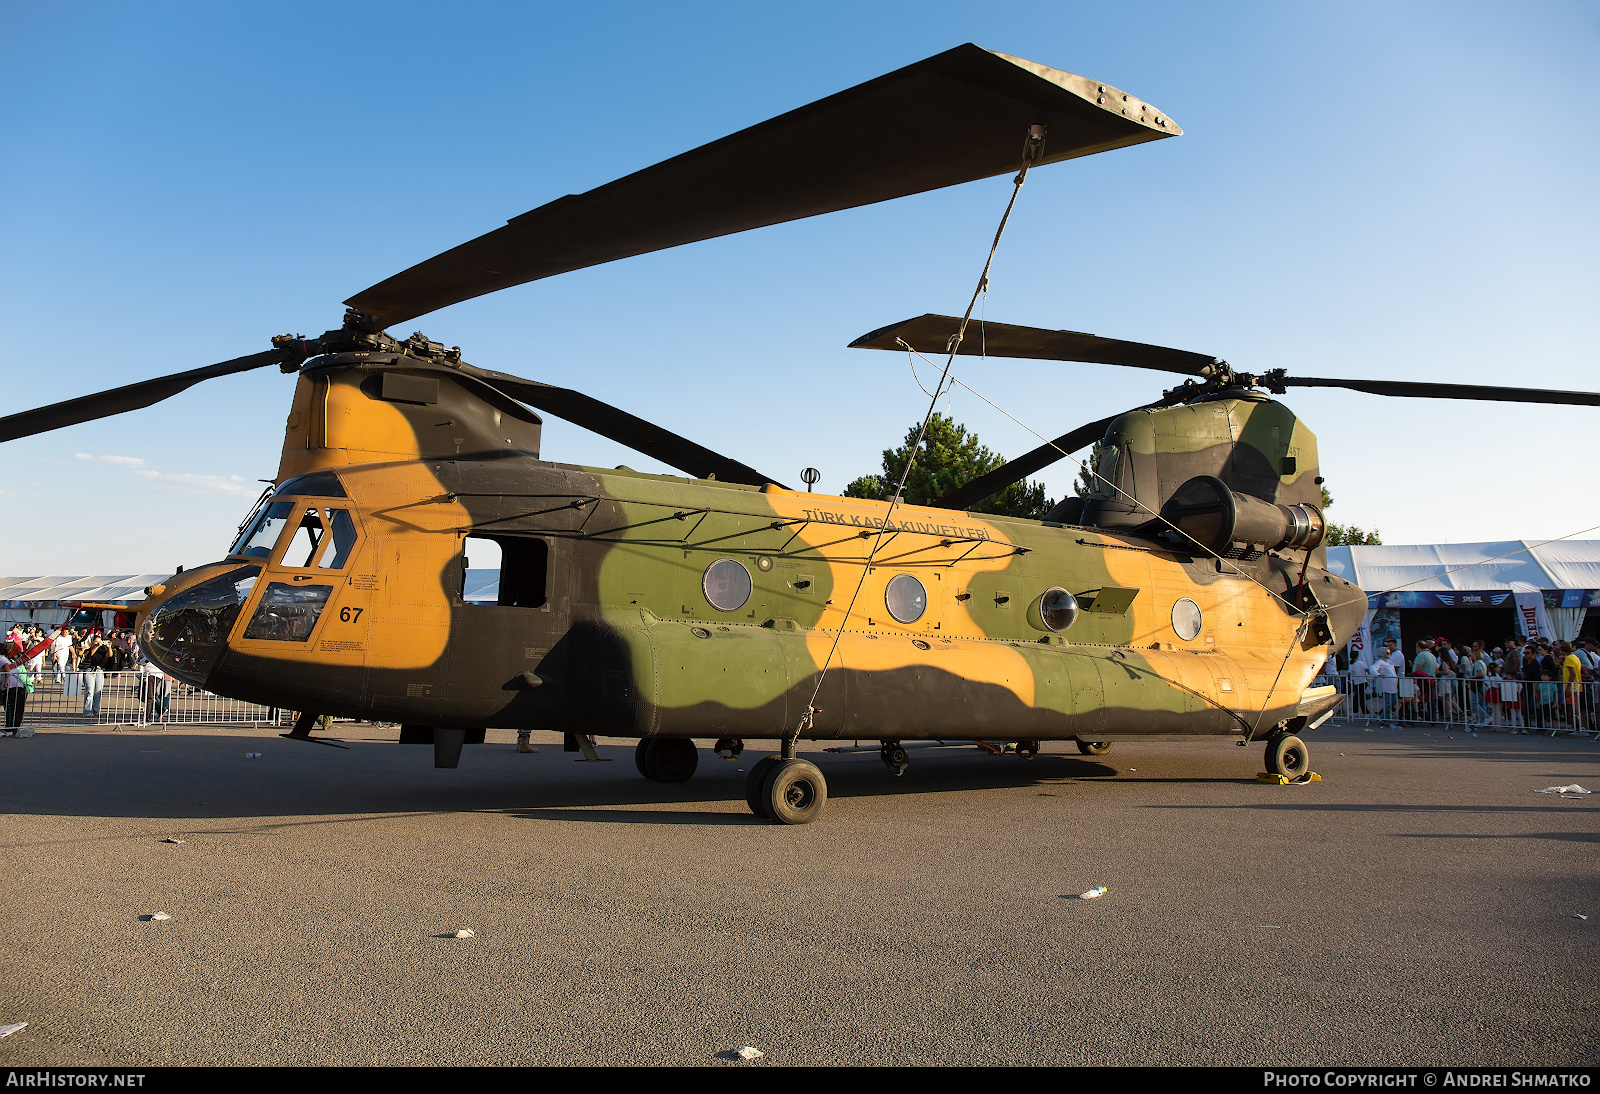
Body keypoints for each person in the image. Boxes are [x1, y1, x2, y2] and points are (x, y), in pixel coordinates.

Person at [80, 636, 114, 718]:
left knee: (98, 692)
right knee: (89, 691)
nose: (97, 643)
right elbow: (90, 655)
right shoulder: (88, 650)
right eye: (95, 641)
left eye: (99, 641)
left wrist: (109, 647)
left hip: (99, 671)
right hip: (90, 671)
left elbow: (109, 655)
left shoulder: (102, 651)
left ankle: (96, 710)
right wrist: (96, 646)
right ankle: (87, 710)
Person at [1372, 655, 1399, 727]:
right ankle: (1385, 719)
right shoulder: (1380, 662)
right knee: (1387, 703)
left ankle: (1381, 716)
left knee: (1394, 701)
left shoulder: (1390, 662)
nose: (1388, 654)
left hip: (1393, 685)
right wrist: (1378, 675)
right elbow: (1372, 668)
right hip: (1386, 685)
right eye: (1387, 653)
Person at [1349, 655, 1371, 726]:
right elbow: (1366, 670)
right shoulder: (1361, 663)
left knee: (1358, 697)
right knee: (1360, 697)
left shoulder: (1352, 665)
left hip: (1357, 681)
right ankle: (1364, 711)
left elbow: (1349, 673)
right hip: (1363, 681)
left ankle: (1360, 711)